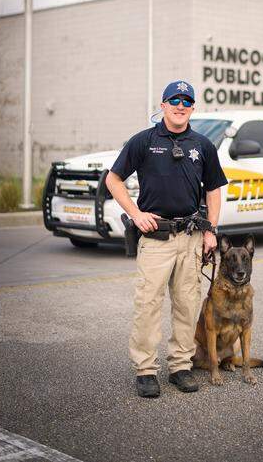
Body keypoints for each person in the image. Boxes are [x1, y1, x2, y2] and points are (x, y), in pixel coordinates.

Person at [105, 80, 228, 398]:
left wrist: (211, 230)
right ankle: (145, 371)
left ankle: (180, 367)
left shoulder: (203, 145)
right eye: (174, 99)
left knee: (187, 306)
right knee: (148, 305)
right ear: (162, 104)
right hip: (155, 237)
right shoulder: (143, 141)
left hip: (191, 237)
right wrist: (135, 213)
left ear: (192, 108)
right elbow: (113, 179)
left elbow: (213, 189)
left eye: (187, 101)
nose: (181, 105)